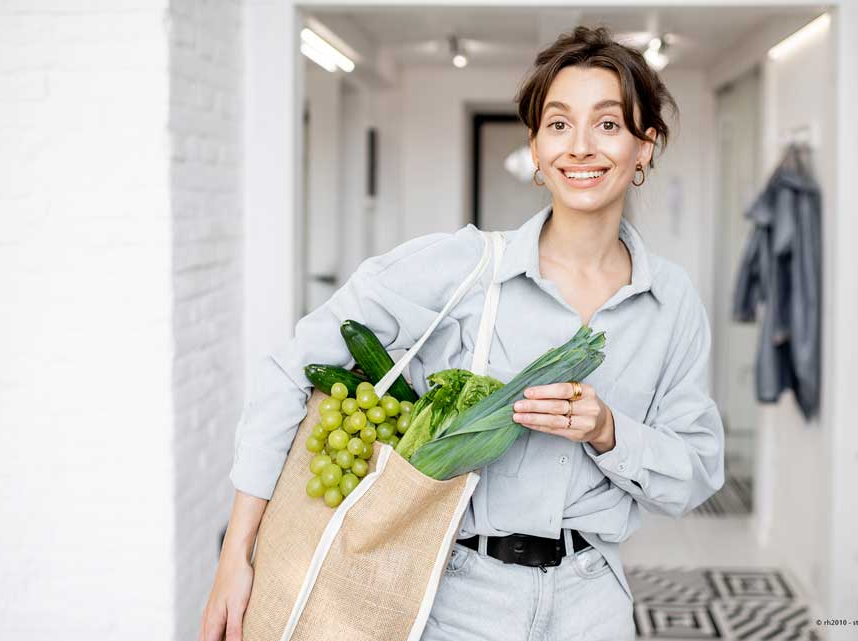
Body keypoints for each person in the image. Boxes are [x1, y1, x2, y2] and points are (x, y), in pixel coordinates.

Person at [200, 24, 724, 641]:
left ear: (646, 147)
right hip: (456, 598)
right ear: (535, 147)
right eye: (558, 124)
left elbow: (694, 472)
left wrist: (610, 432)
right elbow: (292, 370)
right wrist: (238, 553)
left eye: (608, 124)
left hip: (593, 604)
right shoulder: (464, 269)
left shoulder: (671, 302)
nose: (580, 146)